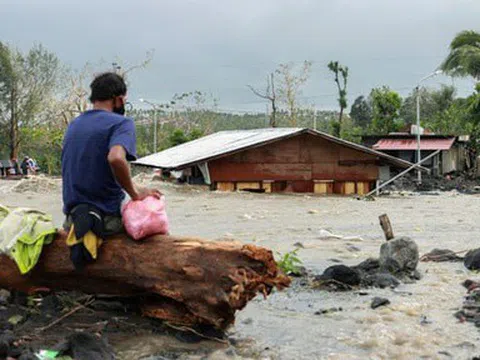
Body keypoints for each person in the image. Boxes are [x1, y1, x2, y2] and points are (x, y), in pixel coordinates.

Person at [62, 72, 160, 236]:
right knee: (153, 228)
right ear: (119, 99)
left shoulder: (74, 124)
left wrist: (138, 188)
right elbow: (115, 158)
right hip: (106, 221)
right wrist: (135, 194)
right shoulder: (122, 123)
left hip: (73, 220)